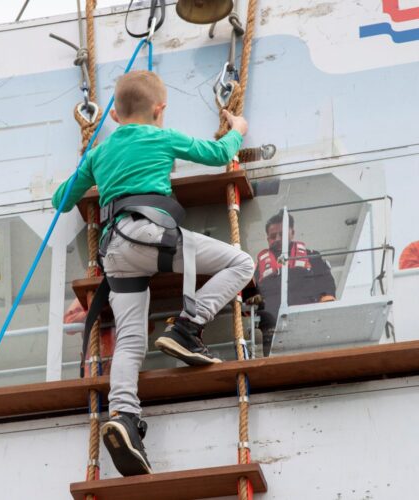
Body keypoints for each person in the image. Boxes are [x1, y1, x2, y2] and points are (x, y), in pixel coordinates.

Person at [52, 70, 253, 476]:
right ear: (159, 110)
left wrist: (91, 165)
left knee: (128, 341)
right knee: (241, 263)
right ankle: (187, 327)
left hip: (115, 253)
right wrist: (238, 131)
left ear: (116, 115)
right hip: (150, 236)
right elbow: (217, 156)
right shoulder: (161, 137)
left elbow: (61, 199)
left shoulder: (100, 153)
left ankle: (124, 416)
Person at [251, 211, 336, 356]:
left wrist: (326, 302)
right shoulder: (258, 268)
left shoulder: (312, 256)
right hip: (272, 327)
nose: (277, 239)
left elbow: (326, 282)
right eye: (273, 236)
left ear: (292, 233)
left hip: (309, 321)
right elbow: (250, 294)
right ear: (267, 239)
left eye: (282, 234)